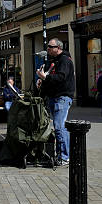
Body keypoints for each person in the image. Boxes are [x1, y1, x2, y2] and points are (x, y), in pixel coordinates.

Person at [36, 38, 75, 167]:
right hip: (54, 97)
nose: (48, 49)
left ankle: (65, 157)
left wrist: (45, 77)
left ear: (58, 48)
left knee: (59, 127)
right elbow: (51, 79)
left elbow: (61, 77)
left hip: (62, 98)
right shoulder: (54, 61)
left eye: (50, 47)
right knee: (59, 127)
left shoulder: (65, 61)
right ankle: (61, 155)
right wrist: (42, 81)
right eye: (48, 47)